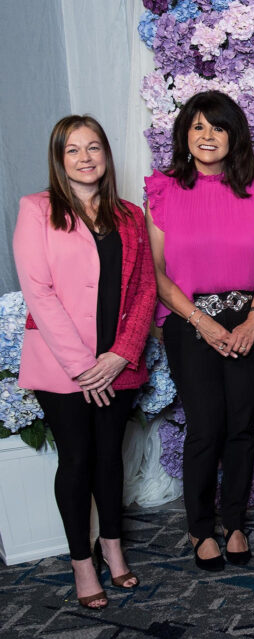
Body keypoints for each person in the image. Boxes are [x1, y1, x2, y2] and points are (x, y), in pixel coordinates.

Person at [13, 115, 157, 608]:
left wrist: (119, 355)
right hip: (61, 367)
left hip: (118, 363)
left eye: (93, 147)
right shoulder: (37, 210)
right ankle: (81, 564)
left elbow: (143, 290)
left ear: (106, 154)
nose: (85, 157)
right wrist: (83, 367)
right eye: (73, 150)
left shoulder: (130, 216)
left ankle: (114, 551)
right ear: (59, 159)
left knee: (109, 458)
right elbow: (39, 292)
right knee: (76, 461)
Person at [146, 91, 254, 571]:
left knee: (240, 429)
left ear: (233, 135)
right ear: (184, 135)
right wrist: (200, 321)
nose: (206, 136)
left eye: (216, 127)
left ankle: (235, 524)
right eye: (197, 127)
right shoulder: (164, 190)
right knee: (206, 428)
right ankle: (201, 528)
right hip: (189, 321)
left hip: (249, 320)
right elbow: (157, 273)